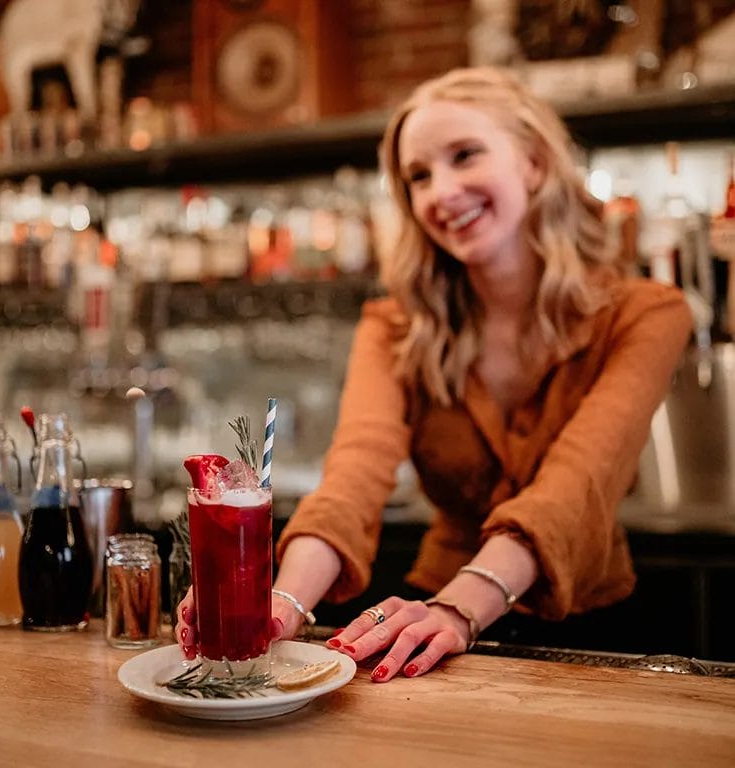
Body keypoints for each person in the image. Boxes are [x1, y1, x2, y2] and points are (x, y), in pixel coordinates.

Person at [176, 67, 692, 681]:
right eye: (418, 176)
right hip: (423, 626)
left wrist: (461, 608)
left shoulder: (647, 314)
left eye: (465, 156)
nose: (440, 193)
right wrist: (281, 605)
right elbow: (354, 478)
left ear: (532, 163)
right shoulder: (395, 326)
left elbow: (576, 486)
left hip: (579, 623)